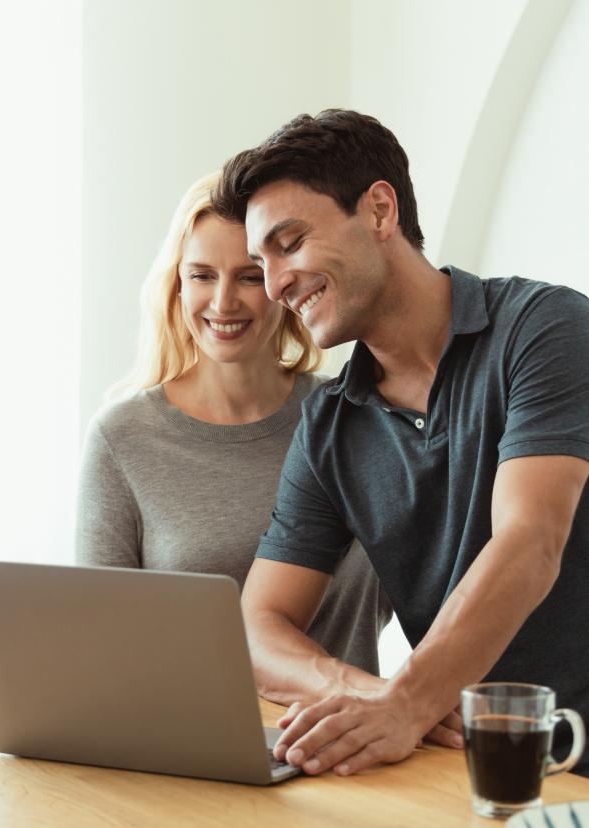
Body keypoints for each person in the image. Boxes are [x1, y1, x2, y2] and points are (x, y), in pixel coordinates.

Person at [211, 109, 589, 777]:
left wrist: (410, 702)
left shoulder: (544, 328)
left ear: (380, 211)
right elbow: (255, 627)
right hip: (461, 773)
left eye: (290, 243)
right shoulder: (329, 424)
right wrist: (372, 695)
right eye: (261, 263)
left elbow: (531, 541)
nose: (273, 286)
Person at [75, 171, 391, 678]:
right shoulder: (122, 437)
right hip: (184, 725)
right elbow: (99, 641)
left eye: (248, 276)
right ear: (177, 285)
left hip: (354, 721)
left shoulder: (354, 417)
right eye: (202, 275)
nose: (224, 302)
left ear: (284, 281)